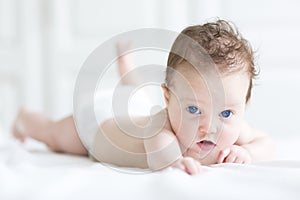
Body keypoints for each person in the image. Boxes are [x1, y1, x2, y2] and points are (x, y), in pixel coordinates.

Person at [12, 19, 275, 175]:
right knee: (54, 136)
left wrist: (247, 152)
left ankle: (127, 72)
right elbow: (164, 155)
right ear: (169, 99)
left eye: (226, 114)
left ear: (243, 105)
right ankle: (26, 119)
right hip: (99, 125)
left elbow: (266, 144)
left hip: (137, 108)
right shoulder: (161, 130)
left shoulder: (230, 129)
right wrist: (178, 163)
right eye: (194, 110)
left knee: (138, 96)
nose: (211, 127)